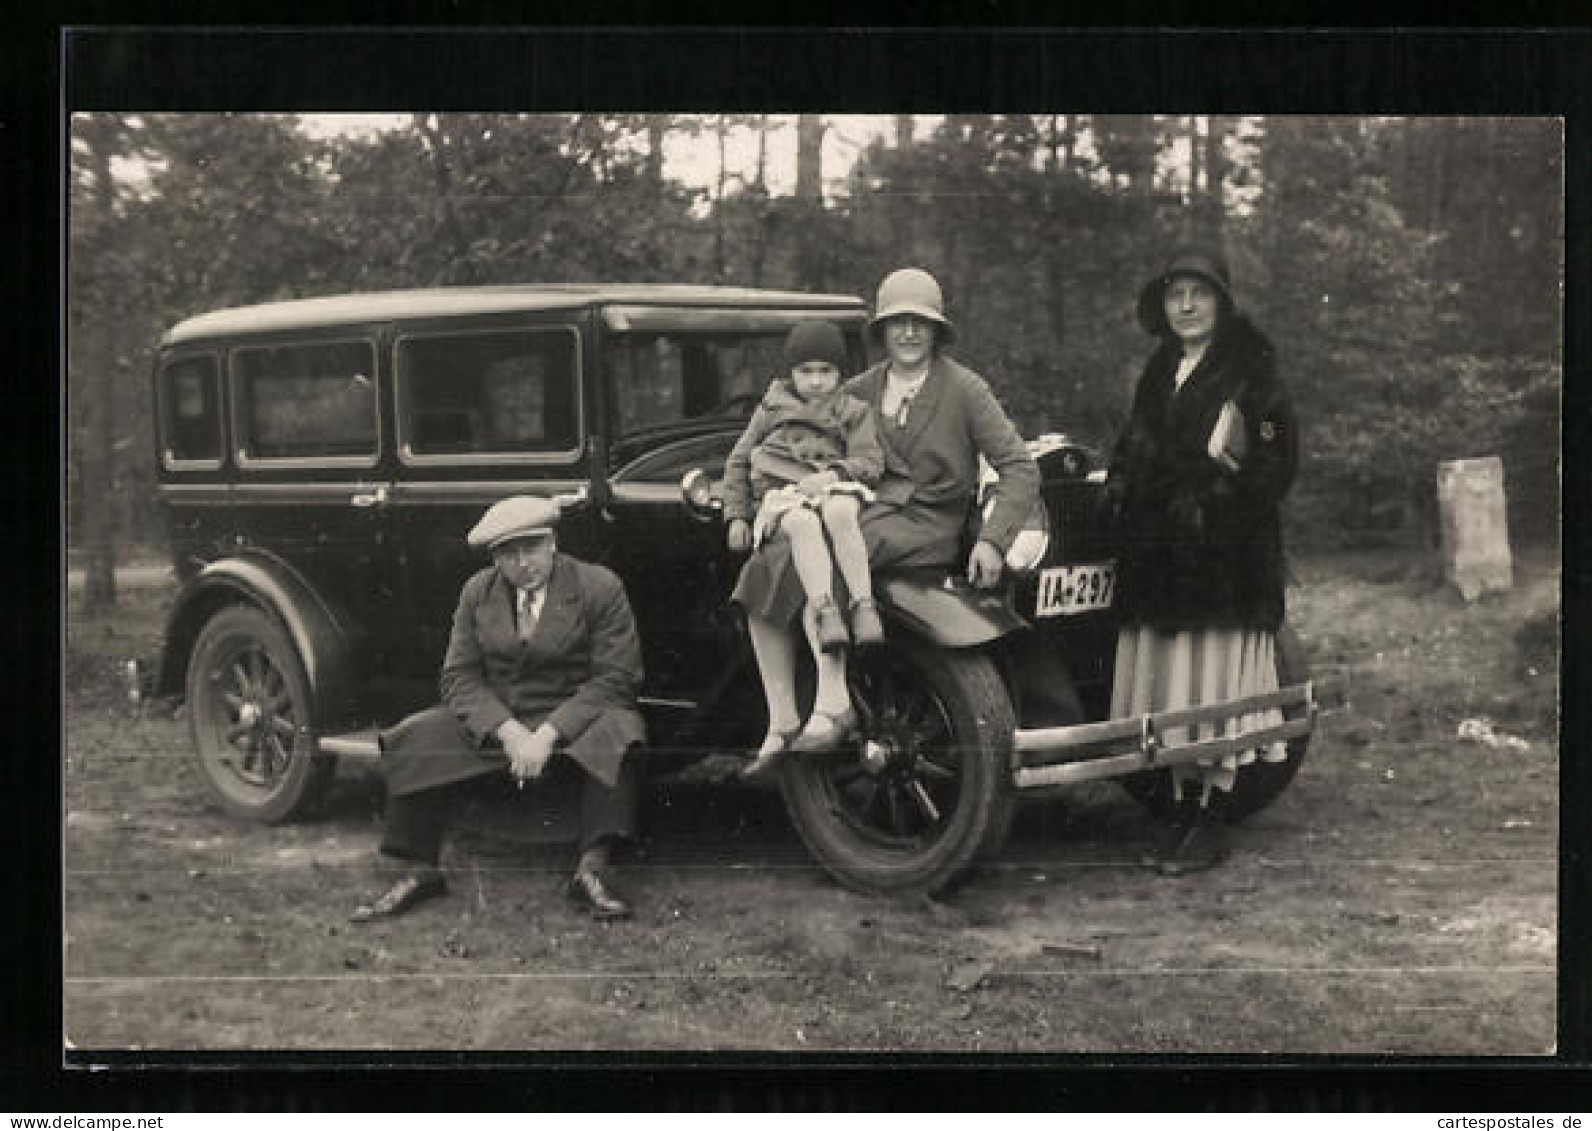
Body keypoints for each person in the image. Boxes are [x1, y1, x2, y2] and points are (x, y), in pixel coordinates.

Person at [729, 268, 1039, 757]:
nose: (910, 332)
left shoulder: (965, 390)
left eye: (921, 322)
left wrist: (993, 539)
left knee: (823, 547)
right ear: (883, 331)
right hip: (862, 514)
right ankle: (784, 714)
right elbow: (788, 441)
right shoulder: (857, 389)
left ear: (937, 330)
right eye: (898, 322)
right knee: (771, 555)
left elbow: (1020, 466)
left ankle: (833, 702)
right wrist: (759, 503)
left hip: (928, 523)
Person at [351, 495, 646, 922]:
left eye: (532, 547)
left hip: (573, 716)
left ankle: (592, 871)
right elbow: (458, 678)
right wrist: (508, 732)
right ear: (494, 558)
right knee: (416, 734)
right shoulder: (478, 592)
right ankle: (418, 870)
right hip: (505, 717)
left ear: (553, 544)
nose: (523, 562)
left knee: (619, 729)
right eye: (509, 553)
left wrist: (548, 735)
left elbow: (617, 678)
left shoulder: (599, 587)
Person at [1102, 243, 1299, 875]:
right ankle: (1181, 808)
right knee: (1173, 684)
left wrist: (1217, 503)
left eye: (1199, 293)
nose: (1186, 306)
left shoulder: (1252, 370)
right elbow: (1135, 443)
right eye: (1175, 295)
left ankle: (1211, 815)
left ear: (1222, 300)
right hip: (1160, 558)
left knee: (1210, 683)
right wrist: (1121, 483)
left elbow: (1276, 452)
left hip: (1222, 562)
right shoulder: (1160, 369)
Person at [721, 322, 886, 777]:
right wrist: (735, 514)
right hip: (783, 499)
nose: (816, 381)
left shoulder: (852, 410)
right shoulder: (771, 407)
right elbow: (738, 459)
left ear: (840, 375)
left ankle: (851, 615)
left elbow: (871, 461)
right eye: (806, 371)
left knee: (826, 521)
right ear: (791, 373)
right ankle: (784, 715)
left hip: (830, 493)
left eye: (827, 371)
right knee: (794, 528)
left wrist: (833, 473)